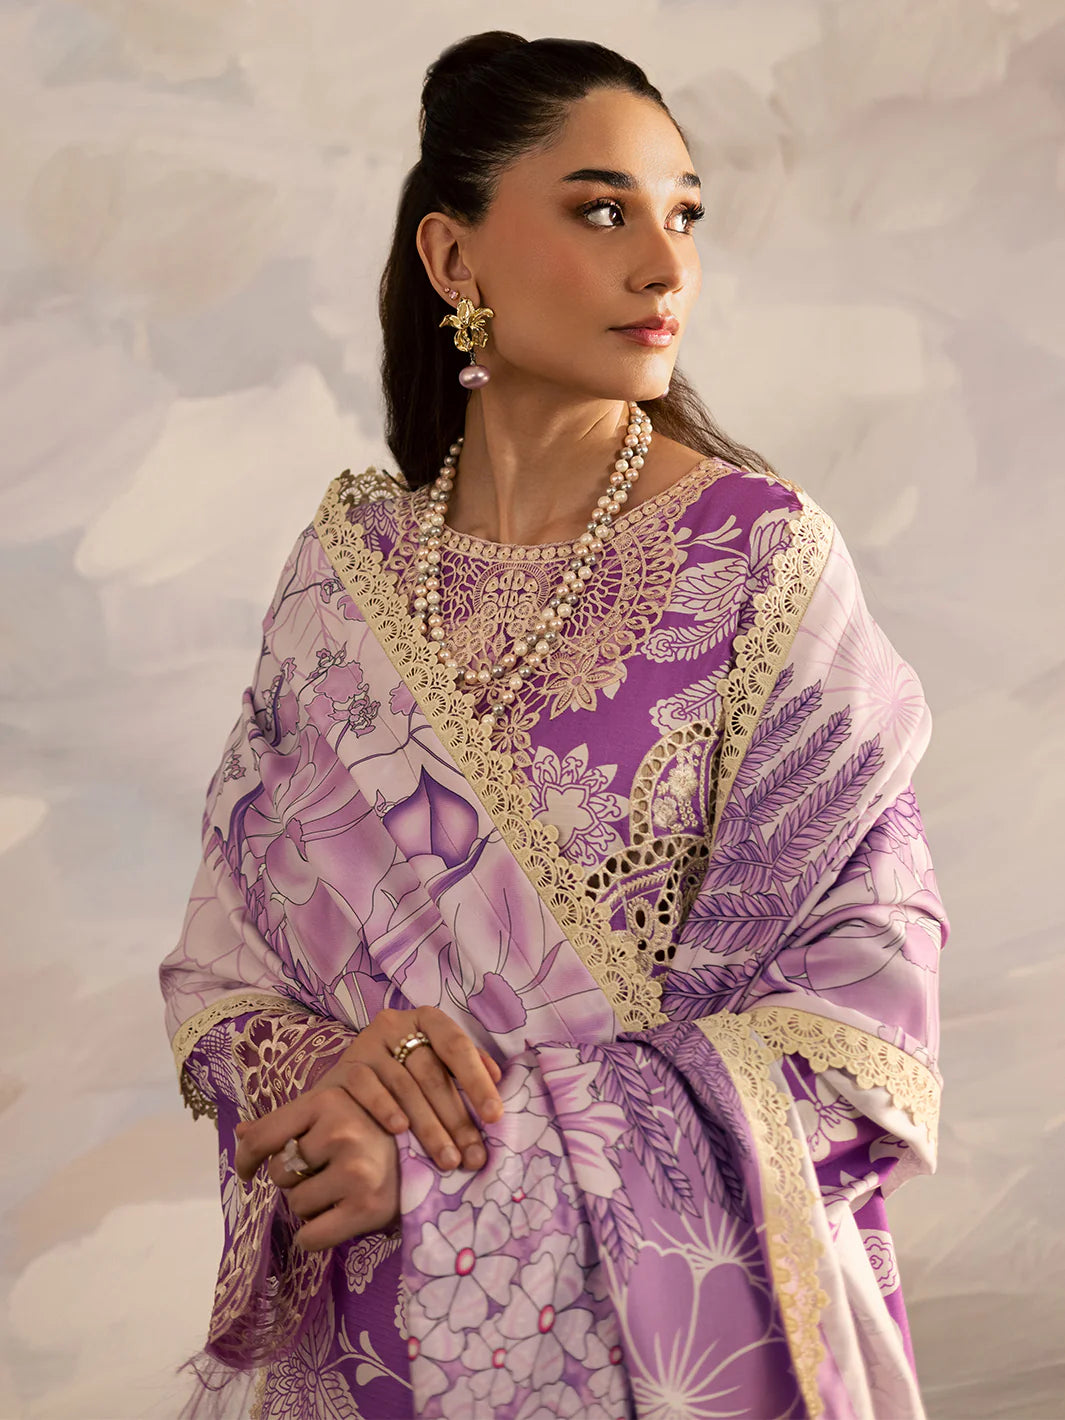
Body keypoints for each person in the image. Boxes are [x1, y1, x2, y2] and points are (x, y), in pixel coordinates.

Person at [158, 30, 949, 1420]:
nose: (663, 265)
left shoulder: (763, 566)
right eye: (600, 211)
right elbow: (226, 977)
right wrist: (340, 1076)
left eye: (683, 215)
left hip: (672, 1341)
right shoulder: (344, 580)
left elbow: (859, 1015)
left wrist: (465, 1151)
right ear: (453, 258)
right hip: (382, 1332)